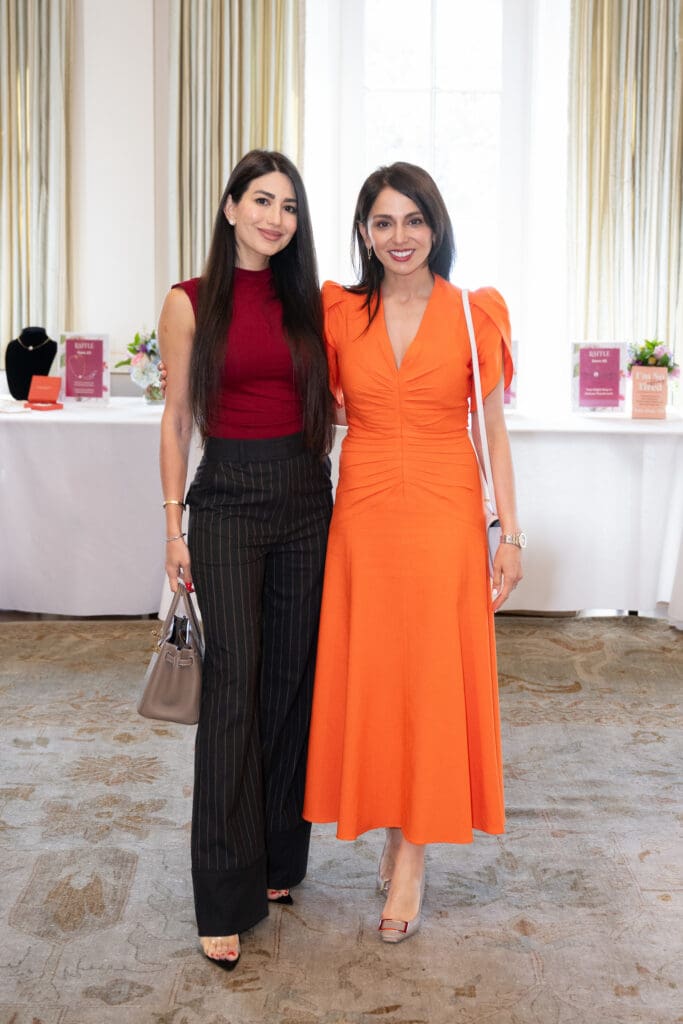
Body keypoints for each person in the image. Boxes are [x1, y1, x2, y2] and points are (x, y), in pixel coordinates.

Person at [302, 162, 524, 942]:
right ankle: (391, 825)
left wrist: (509, 533)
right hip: (362, 511)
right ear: (363, 231)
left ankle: (412, 855)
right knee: (376, 673)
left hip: (444, 511)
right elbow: (320, 407)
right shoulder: (338, 313)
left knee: (430, 676)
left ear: (436, 226)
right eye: (383, 222)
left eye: (413, 220)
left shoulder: (474, 313)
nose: (399, 237)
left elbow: (490, 428)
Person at [158, 149, 334, 969]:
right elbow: (176, 418)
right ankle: (222, 892)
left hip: (306, 500)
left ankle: (274, 861)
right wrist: (172, 525)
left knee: (288, 682)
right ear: (229, 208)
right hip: (225, 500)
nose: (275, 217)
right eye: (261, 200)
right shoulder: (190, 301)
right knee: (231, 690)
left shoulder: (311, 303)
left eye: (289, 207)